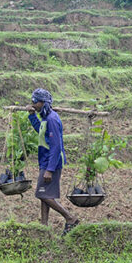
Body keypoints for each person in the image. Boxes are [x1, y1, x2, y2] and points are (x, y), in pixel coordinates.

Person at [28, 88, 80, 236]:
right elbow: (41, 131)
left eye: (35, 102)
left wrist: (50, 169)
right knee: (45, 194)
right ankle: (44, 226)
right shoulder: (45, 117)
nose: (33, 104)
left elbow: (56, 146)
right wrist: (32, 116)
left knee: (41, 194)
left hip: (52, 163)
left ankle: (70, 218)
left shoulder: (52, 119)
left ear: (43, 103)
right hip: (45, 161)